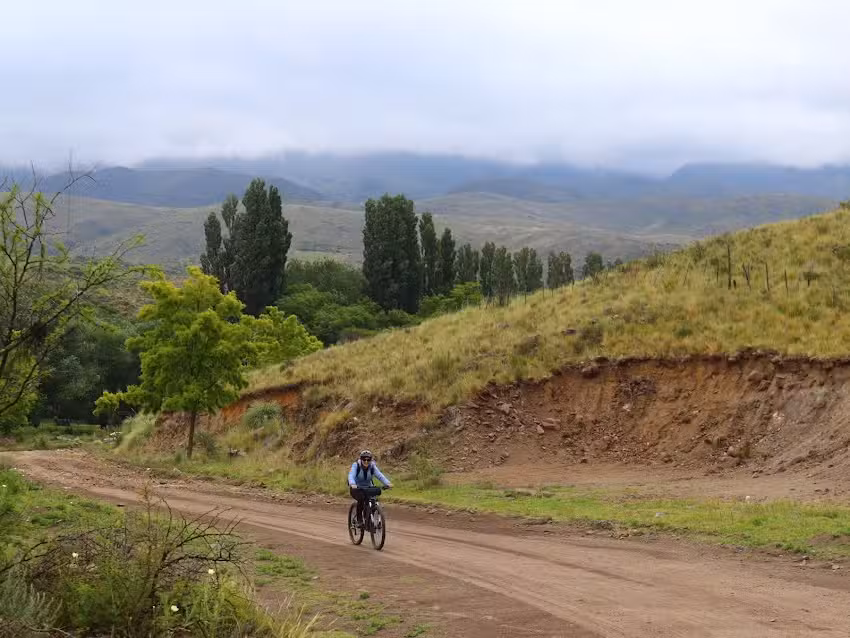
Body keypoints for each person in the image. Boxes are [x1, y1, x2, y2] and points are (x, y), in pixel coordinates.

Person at [348, 449, 392, 527]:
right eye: (364, 459)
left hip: (368, 488)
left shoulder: (372, 466)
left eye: (368, 460)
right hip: (356, 488)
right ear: (361, 459)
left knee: (373, 499)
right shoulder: (356, 465)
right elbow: (351, 475)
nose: (366, 461)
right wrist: (352, 484)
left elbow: (379, 475)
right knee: (361, 499)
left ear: (371, 460)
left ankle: (369, 519)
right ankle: (359, 520)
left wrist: (387, 483)